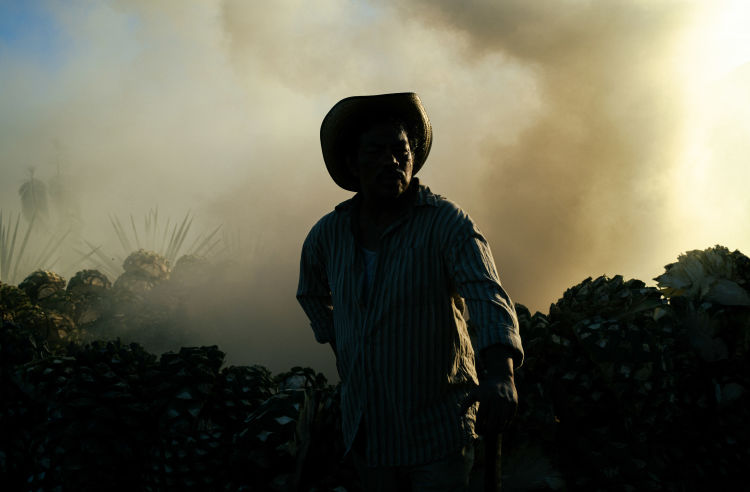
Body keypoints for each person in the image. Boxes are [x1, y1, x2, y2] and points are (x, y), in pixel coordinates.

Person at [297, 93, 523, 491]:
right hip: (367, 429)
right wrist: (342, 344)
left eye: (401, 151)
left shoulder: (446, 224)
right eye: (376, 152)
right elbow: (311, 293)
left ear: (414, 158)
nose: (392, 162)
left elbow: (487, 294)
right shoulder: (328, 235)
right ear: (352, 163)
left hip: (436, 429)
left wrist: (501, 373)